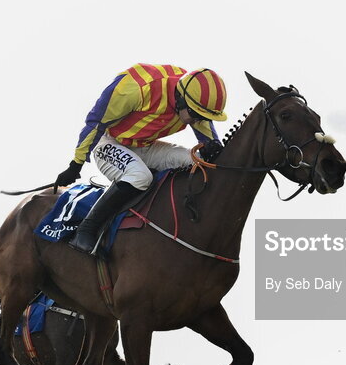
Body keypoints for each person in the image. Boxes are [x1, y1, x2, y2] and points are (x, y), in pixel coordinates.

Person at [54, 64, 229, 254]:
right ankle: (86, 230)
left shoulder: (190, 94)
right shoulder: (135, 90)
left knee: (197, 160)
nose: (197, 121)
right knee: (140, 176)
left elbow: (208, 139)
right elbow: (96, 123)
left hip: (144, 145)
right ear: (181, 100)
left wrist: (212, 145)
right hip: (109, 142)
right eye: (195, 115)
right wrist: (76, 164)